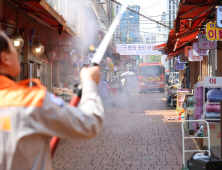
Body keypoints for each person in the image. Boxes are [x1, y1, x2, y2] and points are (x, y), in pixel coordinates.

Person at [0, 30, 104, 170]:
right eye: (14, 48)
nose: (17, 52)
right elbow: (90, 123)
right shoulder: (32, 100)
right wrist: (90, 83)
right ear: (5, 58)